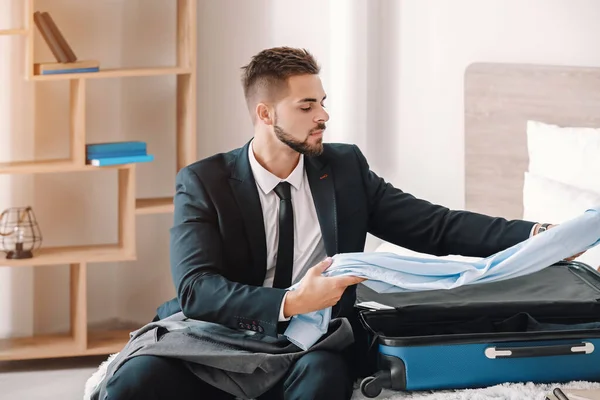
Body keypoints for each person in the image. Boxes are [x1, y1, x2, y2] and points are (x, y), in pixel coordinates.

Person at [105, 47, 572, 400]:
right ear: (265, 114)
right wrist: (289, 300)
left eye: (322, 103)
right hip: (218, 334)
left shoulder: (344, 169)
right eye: (306, 107)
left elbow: (435, 226)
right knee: (133, 382)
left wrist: (535, 237)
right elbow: (196, 289)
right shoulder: (205, 181)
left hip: (309, 342)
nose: (323, 116)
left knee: (325, 380)